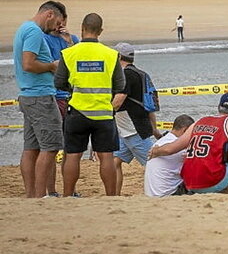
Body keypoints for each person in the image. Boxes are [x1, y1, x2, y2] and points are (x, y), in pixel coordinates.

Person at [55, 13, 126, 196]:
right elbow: (120, 85)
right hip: (103, 113)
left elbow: (59, 82)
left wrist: (74, 88)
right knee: (106, 156)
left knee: (73, 155)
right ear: (100, 31)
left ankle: (68, 195)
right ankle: (111, 196)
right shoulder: (111, 55)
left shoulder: (69, 53)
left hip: (77, 111)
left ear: (82, 29)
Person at [150, 93, 228, 194]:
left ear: (218, 107)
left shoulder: (200, 121)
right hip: (211, 180)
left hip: (189, 182)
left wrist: (156, 150)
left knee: (222, 170)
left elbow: (171, 149)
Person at [13, 1, 66, 197]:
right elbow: (29, 64)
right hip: (40, 96)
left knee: (32, 148)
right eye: (57, 23)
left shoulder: (24, 28)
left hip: (29, 95)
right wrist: (52, 66)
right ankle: (40, 195)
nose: (56, 28)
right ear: (49, 14)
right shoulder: (34, 32)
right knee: (51, 147)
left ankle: (31, 195)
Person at [111, 42, 162, 195]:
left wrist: (99, 114)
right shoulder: (141, 74)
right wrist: (154, 130)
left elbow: (118, 101)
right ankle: (114, 196)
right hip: (127, 130)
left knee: (155, 163)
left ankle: (164, 192)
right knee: (115, 162)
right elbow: (149, 106)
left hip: (134, 130)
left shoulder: (126, 75)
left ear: (118, 56)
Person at [43, 14, 79, 196]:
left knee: (71, 148)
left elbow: (80, 64)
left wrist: (69, 42)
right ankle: (51, 190)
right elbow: (52, 66)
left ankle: (69, 190)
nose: (61, 25)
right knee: (51, 147)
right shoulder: (44, 39)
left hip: (72, 98)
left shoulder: (73, 40)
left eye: (63, 21)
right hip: (55, 96)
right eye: (58, 22)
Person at [144, 114, 194, 197]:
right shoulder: (179, 148)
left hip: (151, 193)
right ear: (185, 130)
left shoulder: (160, 142)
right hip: (167, 194)